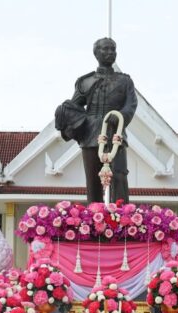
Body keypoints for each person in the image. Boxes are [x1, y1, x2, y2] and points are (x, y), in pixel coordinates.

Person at [55, 37, 137, 204]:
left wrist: (119, 116)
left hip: (116, 134)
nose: (110, 53)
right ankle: (94, 218)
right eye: (105, 49)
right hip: (90, 134)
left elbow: (131, 104)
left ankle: (121, 217)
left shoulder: (125, 81)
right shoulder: (85, 81)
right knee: (93, 180)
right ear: (96, 53)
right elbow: (74, 107)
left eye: (113, 49)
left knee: (119, 176)